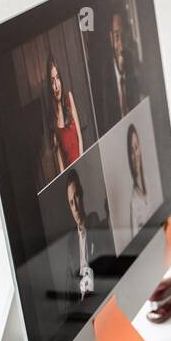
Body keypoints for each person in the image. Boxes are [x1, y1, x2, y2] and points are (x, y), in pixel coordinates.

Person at [64, 171, 113, 303]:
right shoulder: (71, 241)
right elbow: (70, 287)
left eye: (77, 197)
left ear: (82, 194)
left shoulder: (95, 222)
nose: (75, 207)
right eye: (71, 203)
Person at [97, 5, 143, 131]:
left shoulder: (134, 62)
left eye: (123, 36)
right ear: (111, 38)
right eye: (117, 36)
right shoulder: (105, 74)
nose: (121, 44)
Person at [43, 52, 83, 178]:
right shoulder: (53, 119)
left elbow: (80, 138)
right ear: (50, 86)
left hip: (82, 164)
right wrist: (65, 180)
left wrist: (83, 163)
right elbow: (59, 157)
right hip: (70, 175)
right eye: (52, 81)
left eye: (58, 78)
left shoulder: (69, 98)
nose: (56, 86)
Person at [126, 123, 153, 232]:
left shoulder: (149, 181)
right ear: (129, 156)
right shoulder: (134, 202)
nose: (135, 154)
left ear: (140, 149)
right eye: (131, 151)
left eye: (136, 147)